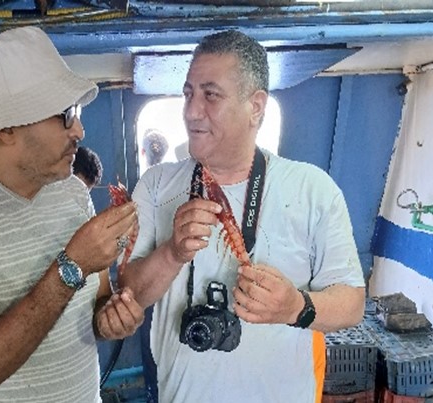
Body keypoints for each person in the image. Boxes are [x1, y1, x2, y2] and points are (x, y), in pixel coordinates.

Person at [119, 29, 366, 402]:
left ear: (256, 106)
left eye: (210, 95)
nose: (191, 111)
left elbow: (352, 303)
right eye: (188, 94)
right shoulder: (156, 185)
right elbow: (131, 293)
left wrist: (296, 307)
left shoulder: (313, 189)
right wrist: (171, 253)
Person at [0, 26, 143, 402]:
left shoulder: (72, 191)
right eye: (66, 114)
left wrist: (112, 317)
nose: (80, 130)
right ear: (7, 127)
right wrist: (72, 265)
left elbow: (97, 304)